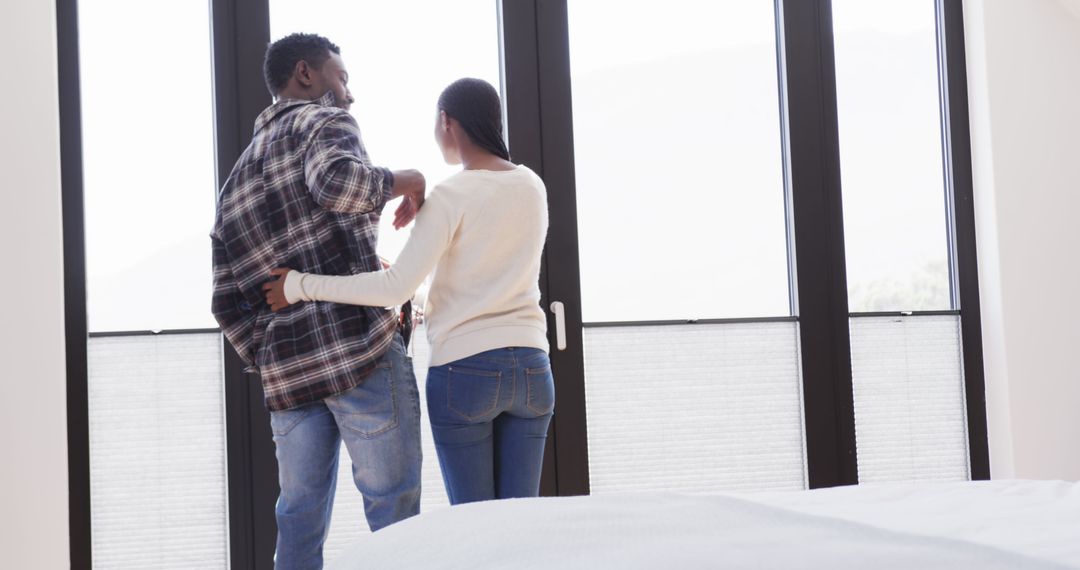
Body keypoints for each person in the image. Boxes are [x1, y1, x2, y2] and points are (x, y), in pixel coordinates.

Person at [263, 78, 555, 505]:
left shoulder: (451, 194)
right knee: (518, 520)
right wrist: (420, 298)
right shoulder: (532, 185)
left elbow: (393, 287)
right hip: (532, 369)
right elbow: (484, 282)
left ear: (446, 122)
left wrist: (299, 285)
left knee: (476, 522)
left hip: (466, 372)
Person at [211, 33, 426, 569]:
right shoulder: (323, 121)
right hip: (359, 353)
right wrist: (409, 179)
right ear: (306, 74)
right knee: (394, 516)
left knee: (299, 521)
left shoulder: (235, 178)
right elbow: (334, 181)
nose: (349, 94)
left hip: (289, 377)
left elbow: (224, 299)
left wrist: (269, 356)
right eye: (342, 77)